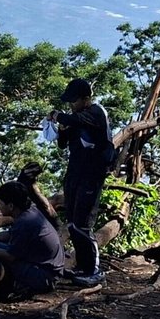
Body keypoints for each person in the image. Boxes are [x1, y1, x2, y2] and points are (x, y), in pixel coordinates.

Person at [48, 76, 114, 287]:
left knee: (84, 224)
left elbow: (74, 120)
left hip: (92, 176)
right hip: (75, 174)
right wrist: (60, 131)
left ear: (86, 99)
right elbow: (62, 144)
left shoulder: (95, 113)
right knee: (73, 222)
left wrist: (59, 116)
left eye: (74, 101)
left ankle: (94, 270)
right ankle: (82, 267)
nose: (71, 105)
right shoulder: (77, 117)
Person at [0, 181, 64, 297]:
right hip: (47, 269)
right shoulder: (30, 213)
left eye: (0, 203)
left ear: (11, 206)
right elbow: (10, 234)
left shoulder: (25, 222)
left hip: (44, 277)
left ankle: (3, 290)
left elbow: (10, 256)